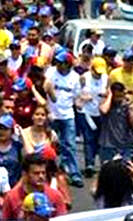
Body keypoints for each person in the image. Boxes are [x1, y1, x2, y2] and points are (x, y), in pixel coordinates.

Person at [43, 50, 83, 187]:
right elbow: (47, 88)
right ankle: (48, 173)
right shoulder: (50, 72)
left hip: (67, 115)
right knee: (50, 145)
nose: (58, 65)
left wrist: (79, 103)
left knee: (70, 145)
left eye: (62, 63)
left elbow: (76, 96)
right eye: (58, 62)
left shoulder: (75, 77)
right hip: (52, 114)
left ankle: (74, 173)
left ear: (68, 64)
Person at [0, 154, 68, 220]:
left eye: (43, 173)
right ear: (25, 174)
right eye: (36, 173)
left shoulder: (55, 196)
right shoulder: (11, 197)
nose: (41, 176)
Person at [98, 82, 133, 162]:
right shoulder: (105, 103)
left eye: (120, 96)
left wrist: (129, 108)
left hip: (124, 145)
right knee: (108, 171)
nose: (118, 99)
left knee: (125, 171)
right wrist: (109, 96)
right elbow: (104, 111)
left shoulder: (126, 105)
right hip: (107, 144)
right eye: (116, 96)